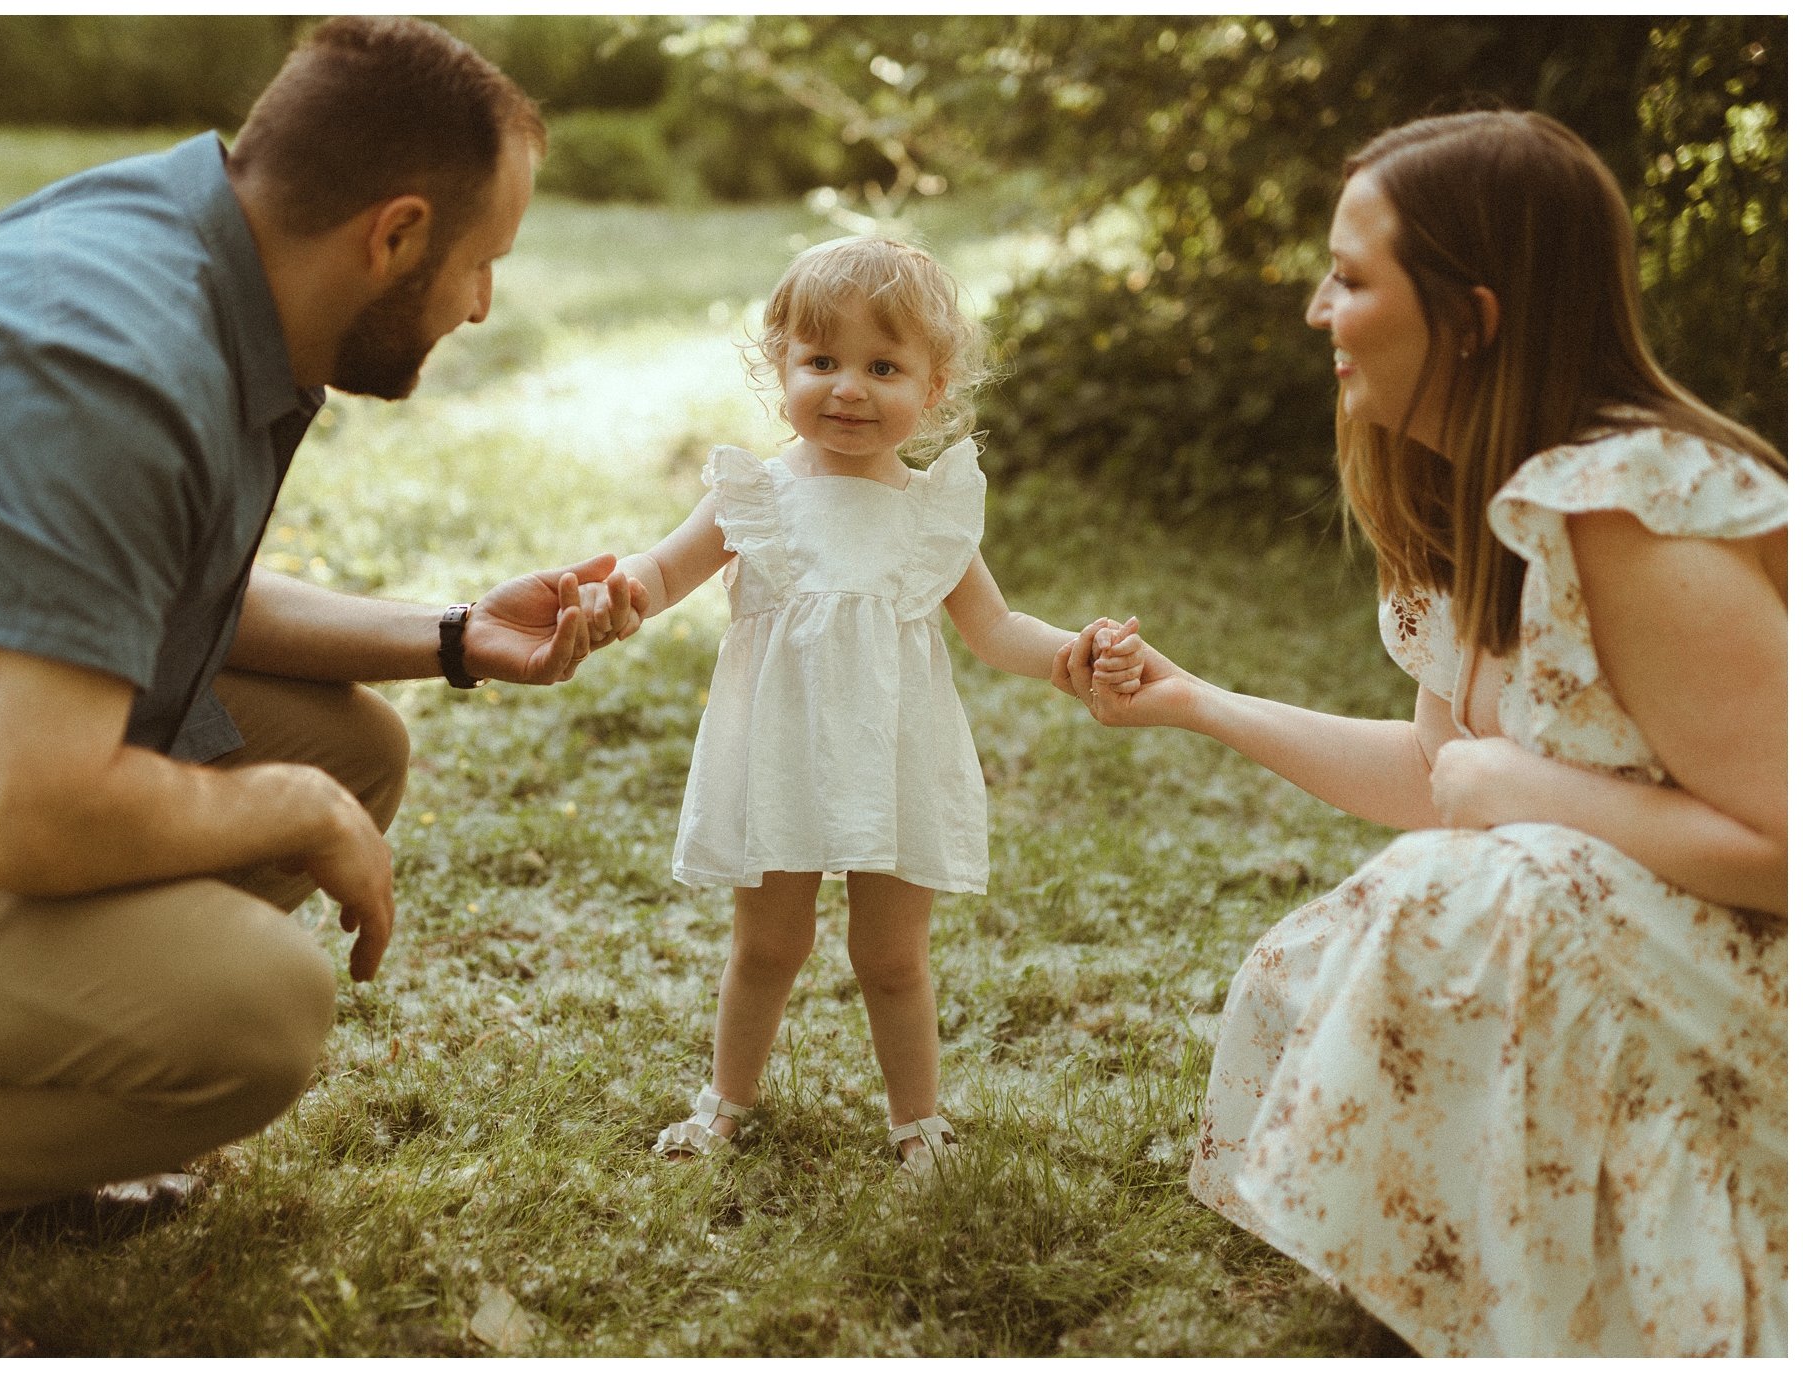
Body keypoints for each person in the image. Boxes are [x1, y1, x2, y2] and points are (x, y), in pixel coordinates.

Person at [0, 17, 645, 1358]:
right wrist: (283, 808)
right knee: (252, 1011)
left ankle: (2, 1123)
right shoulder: (107, 366)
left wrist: (460, 635)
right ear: (396, 234)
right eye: (483, 268)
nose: (480, 307)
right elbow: (32, 816)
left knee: (351, 747)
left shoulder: (187, 245)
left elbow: (150, 594)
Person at [1059, 110, 1786, 1355]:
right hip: (1647, 953)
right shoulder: (1467, 499)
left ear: (1470, 317)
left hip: (1757, 990)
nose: (1314, 312)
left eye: (1348, 280)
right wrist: (1192, 701)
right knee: (1406, 905)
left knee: (1460, 895)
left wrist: (1522, 788)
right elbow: (1431, 772)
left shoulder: (1628, 511)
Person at [582, 235, 1144, 1178]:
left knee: (892, 955)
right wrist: (622, 591)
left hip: (894, 756)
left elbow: (995, 627)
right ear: (783, 366)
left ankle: (916, 1123)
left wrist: (1072, 656)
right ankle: (727, 1101)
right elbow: (665, 567)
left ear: (933, 388)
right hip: (781, 749)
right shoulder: (754, 494)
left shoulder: (932, 513)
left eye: (882, 367)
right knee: (767, 944)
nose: (848, 388)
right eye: (822, 361)